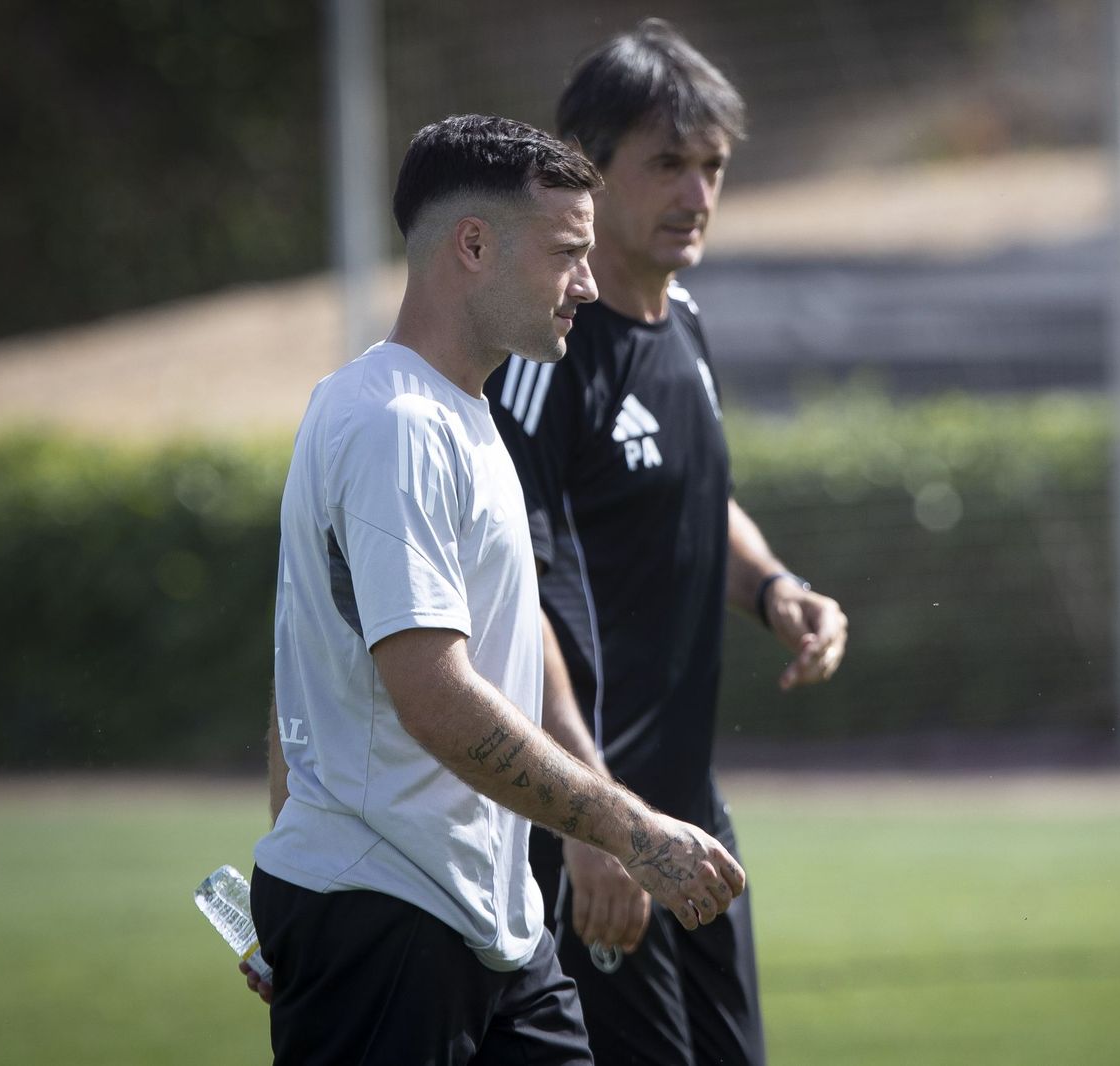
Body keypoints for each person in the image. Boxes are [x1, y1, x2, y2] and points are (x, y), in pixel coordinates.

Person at [245, 114, 747, 1065]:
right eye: (567, 253)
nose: (588, 284)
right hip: (384, 918)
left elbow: (300, 669)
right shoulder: (394, 421)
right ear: (472, 245)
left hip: (486, 922)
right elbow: (432, 693)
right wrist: (627, 827)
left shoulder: (459, 416)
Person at [483, 20, 848, 1064]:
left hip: (690, 812)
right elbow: (511, 589)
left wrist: (777, 585)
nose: (696, 194)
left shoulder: (681, 323)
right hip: (599, 822)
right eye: (667, 165)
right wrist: (591, 817)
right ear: (587, 172)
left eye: (713, 167)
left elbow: (696, 496)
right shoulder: (548, 357)